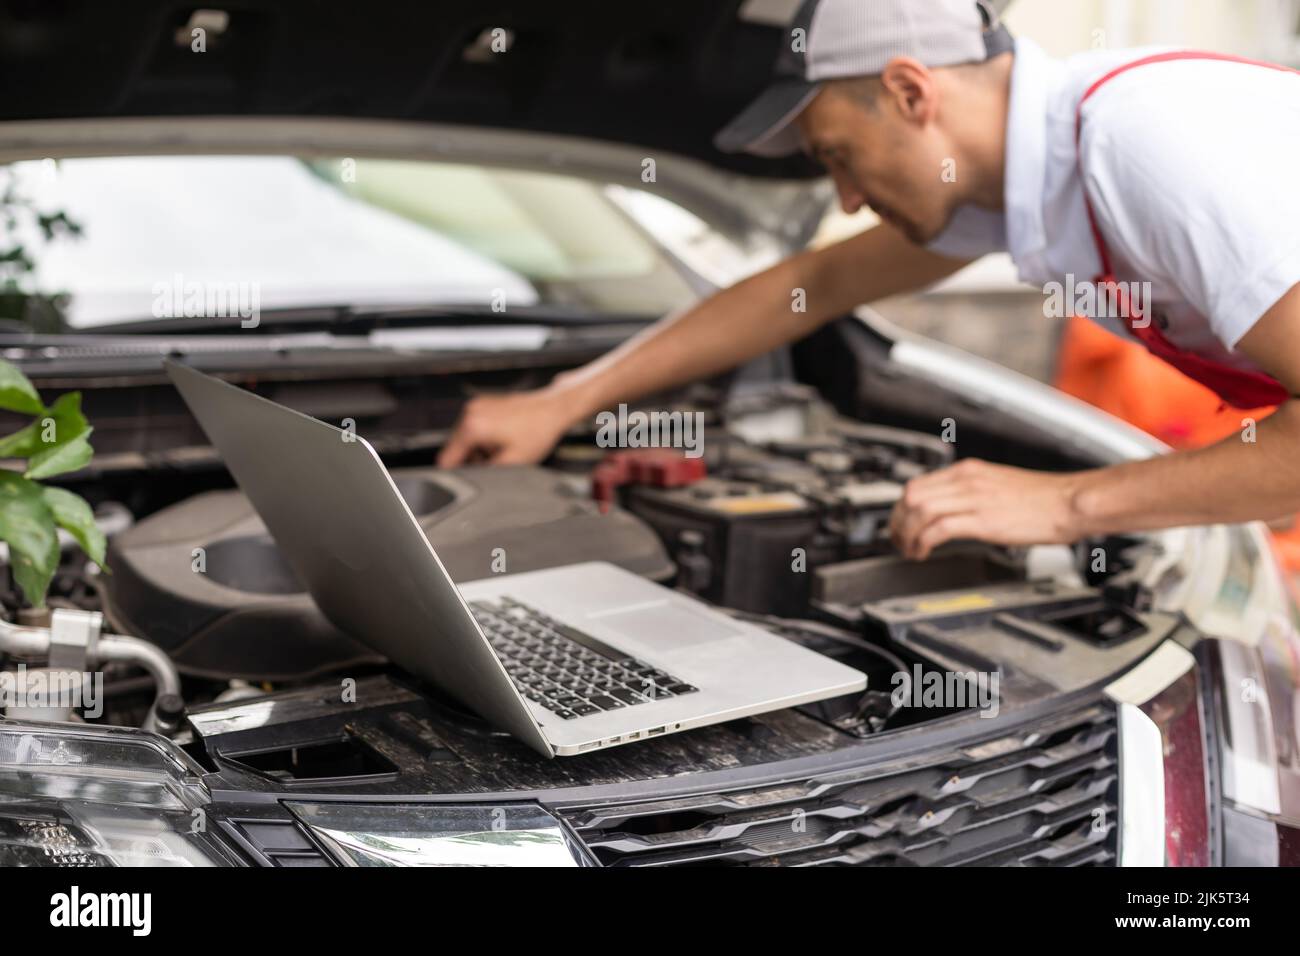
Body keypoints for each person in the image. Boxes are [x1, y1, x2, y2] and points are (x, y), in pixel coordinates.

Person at [439, 0, 1300, 562]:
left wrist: (1070, 504)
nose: (846, 197)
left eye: (837, 157)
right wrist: (562, 400)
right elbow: (805, 285)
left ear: (909, 91)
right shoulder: (1019, 180)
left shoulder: (1137, 143)